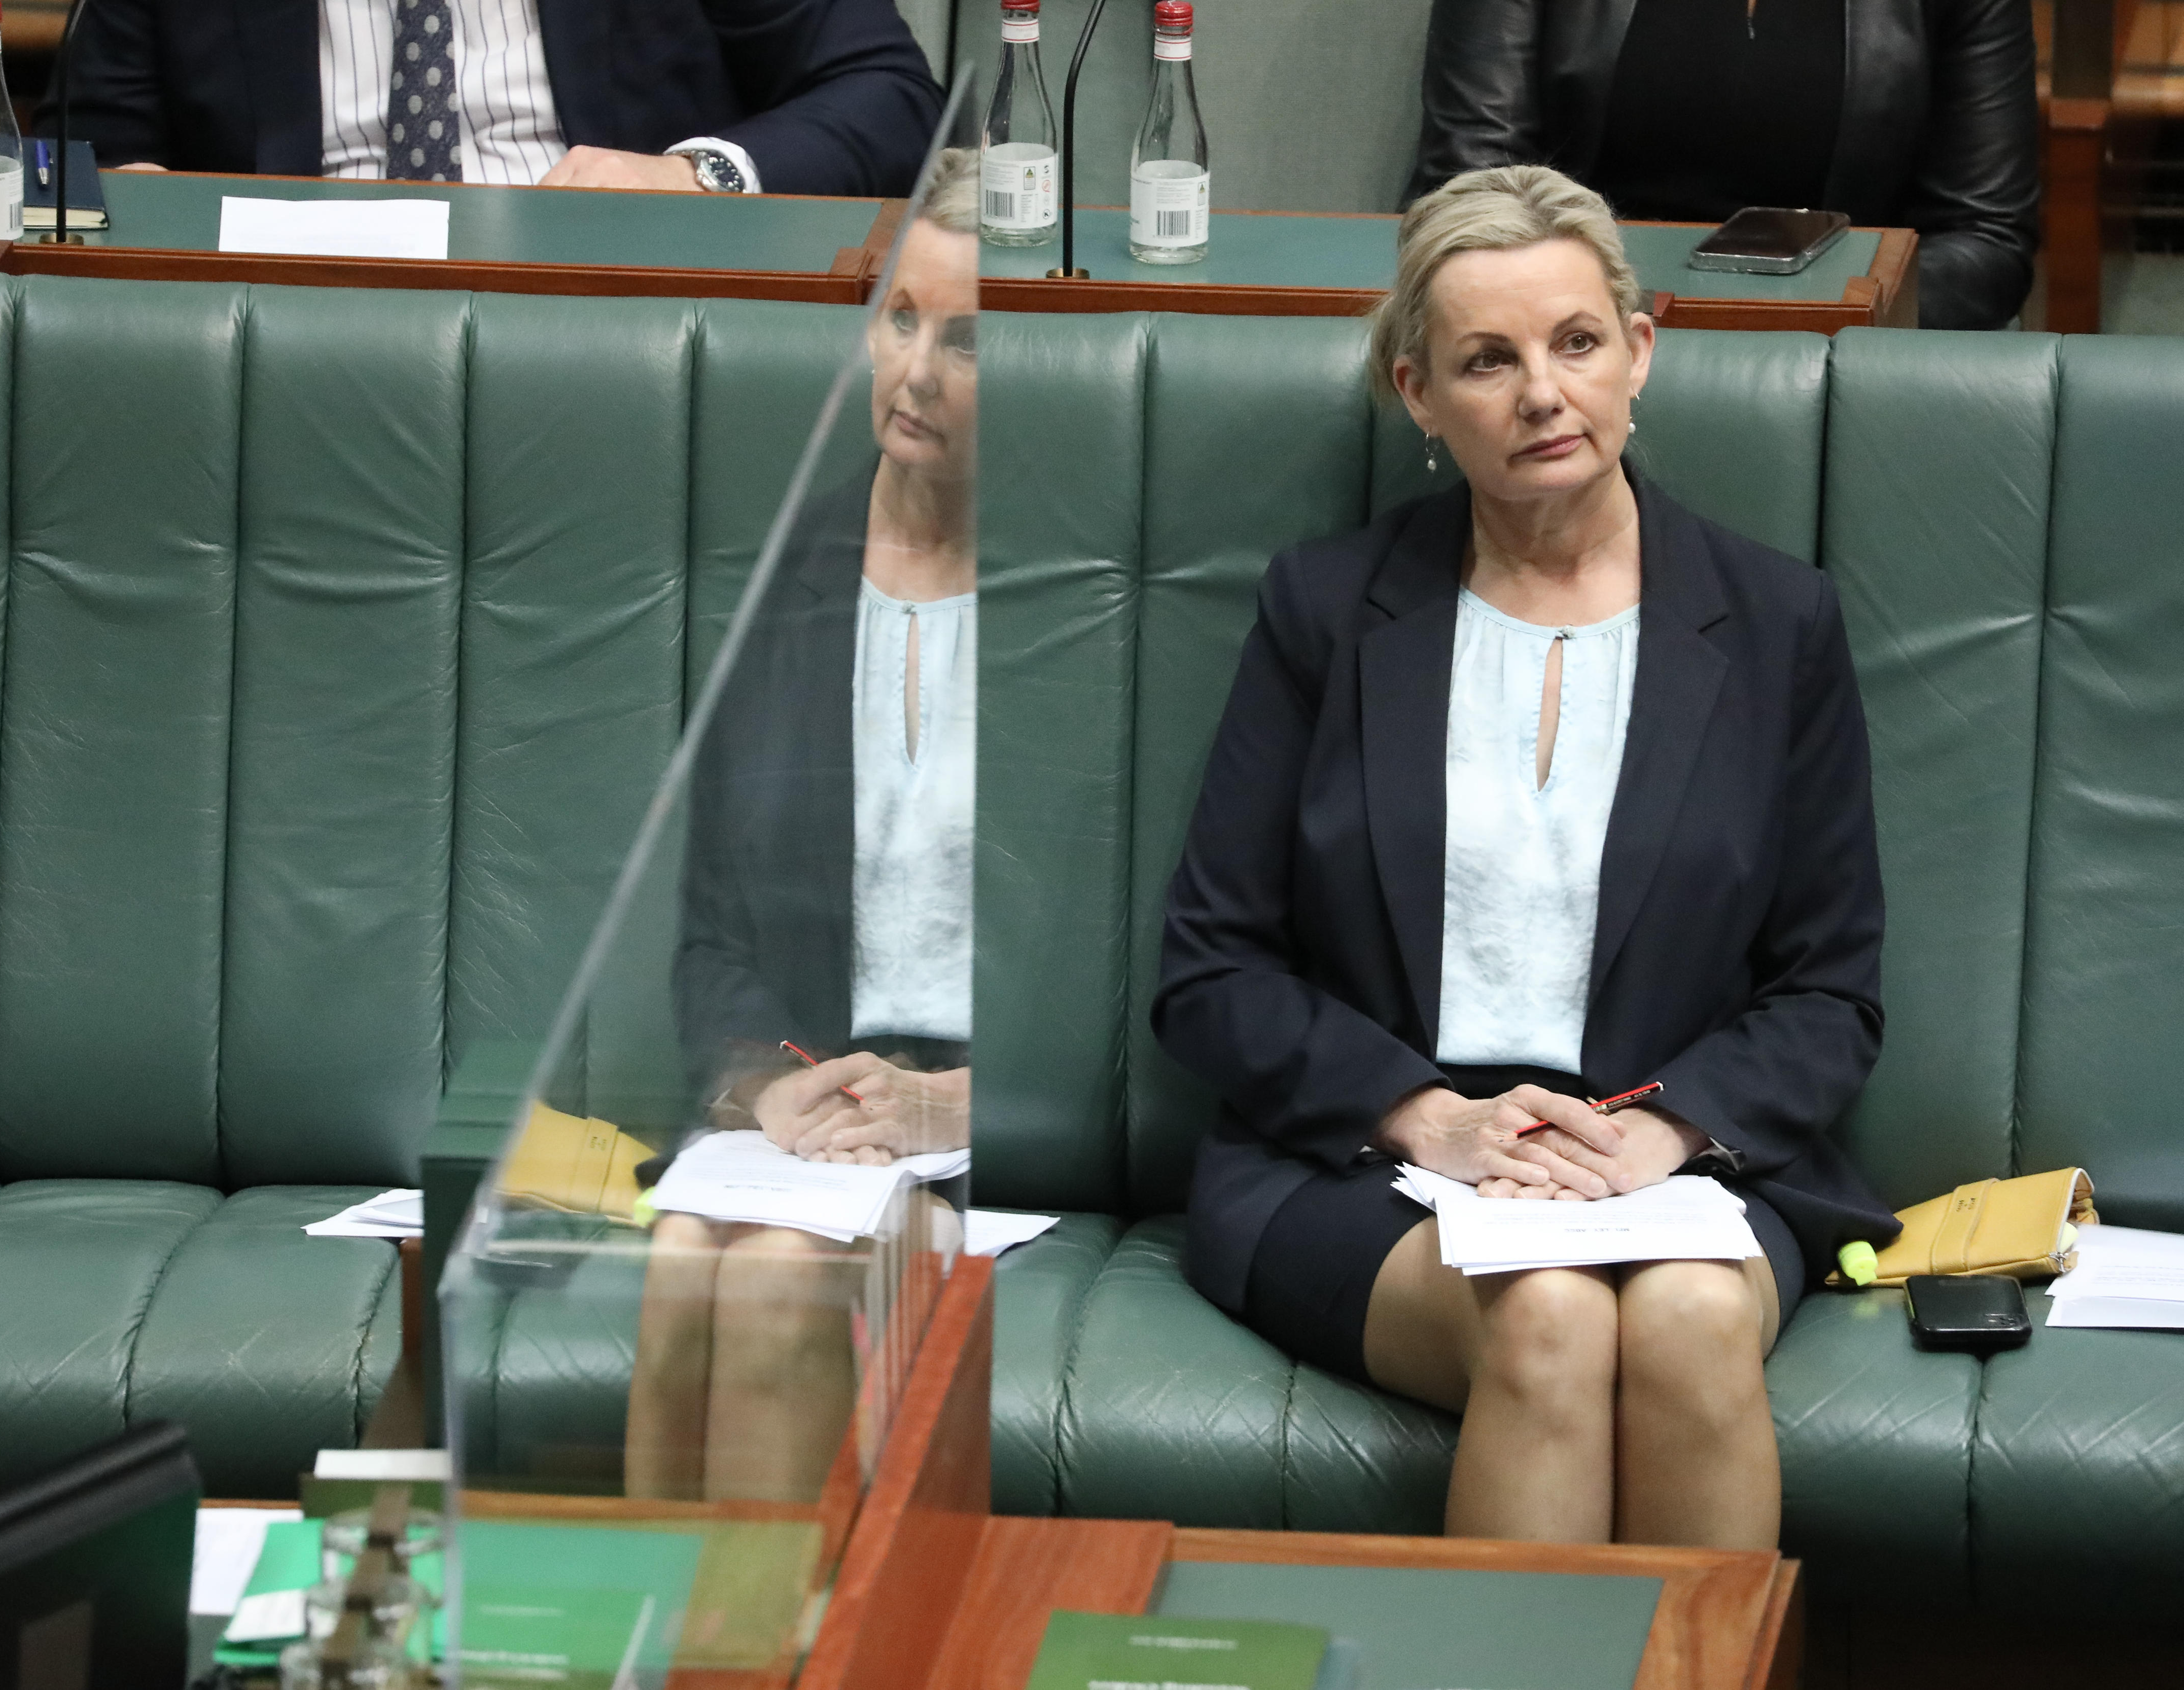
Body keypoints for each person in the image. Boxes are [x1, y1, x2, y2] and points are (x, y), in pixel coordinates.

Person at [1153, 164, 1900, 1548]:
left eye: (1575, 342)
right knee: (1549, 1315)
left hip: (1680, 1158)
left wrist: (1659, 1133)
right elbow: (1212, 967)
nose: (1542, 393)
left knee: (1681, 1318)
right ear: (1419, 394)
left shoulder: (1777, 621)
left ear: (1641, 352)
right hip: (1375, 1164)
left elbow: (1830, 987)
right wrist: (1430, 1117)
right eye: (1487, 360)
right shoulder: (1327, 608)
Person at [622, 154, 978, 1503]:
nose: (918, 369)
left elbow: (1124, 972)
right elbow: (711, 927)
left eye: (969, 338)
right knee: (674, 1257)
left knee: (774, 1284)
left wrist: (950, 1101)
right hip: (802, 1120)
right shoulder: (789, 569)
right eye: (899, 317)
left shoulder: (1083, 592)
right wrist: (768, 1081)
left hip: (979, 1129)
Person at [1407, 0, 2039, 331]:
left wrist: (1807, 320)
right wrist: (1598, 329)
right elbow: (1468, 193)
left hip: (1842, 360)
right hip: (1574, 346)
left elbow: (1985, 241)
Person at [40, 0, 943, 198]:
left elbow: (890, 96)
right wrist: (137, 196)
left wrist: (695, 176)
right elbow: (77, 156)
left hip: (600, 319)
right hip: (286, 330)